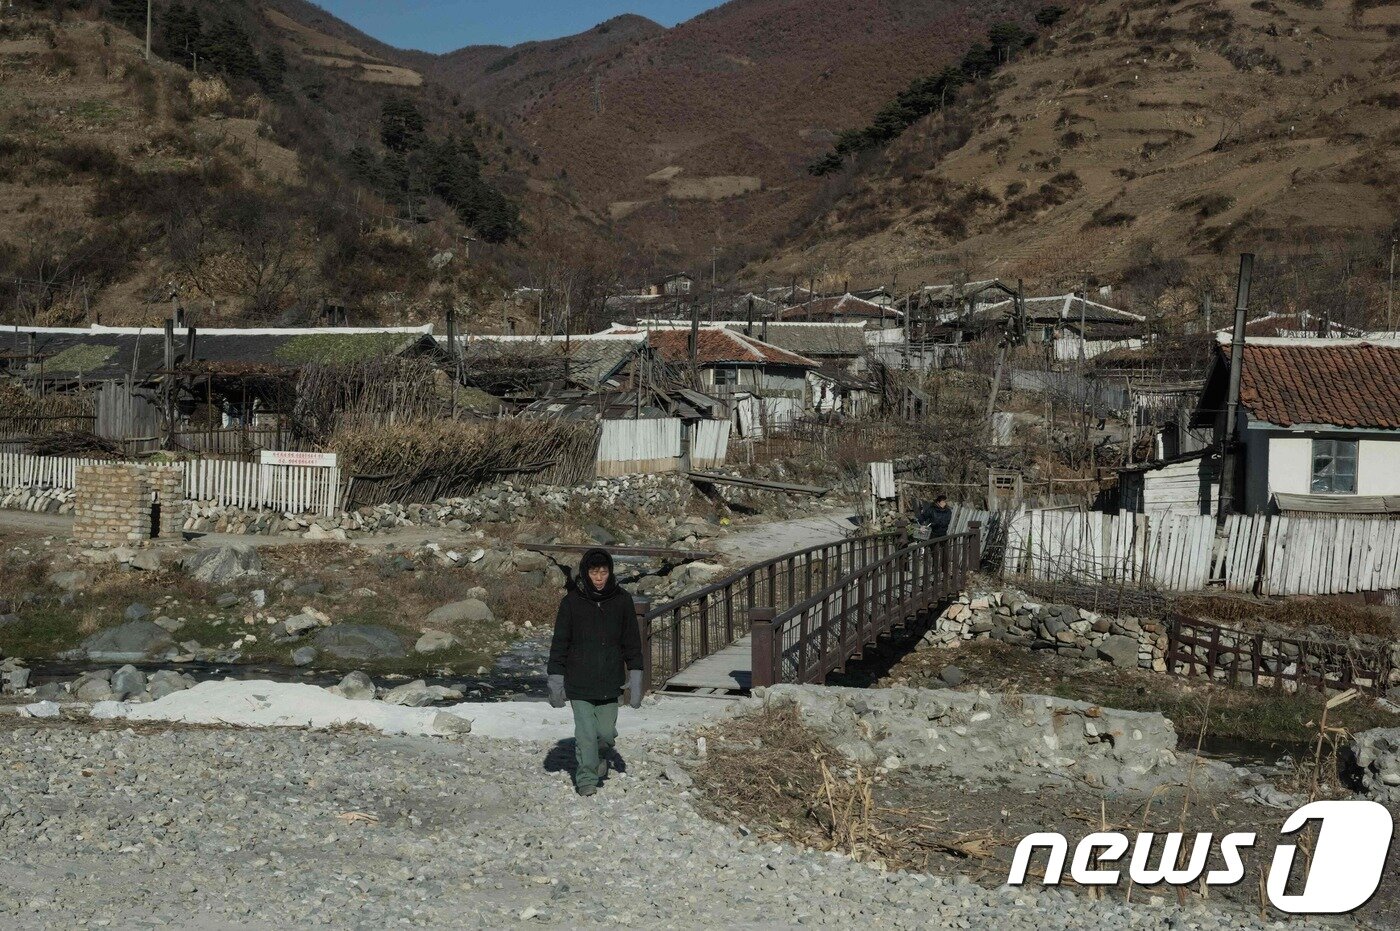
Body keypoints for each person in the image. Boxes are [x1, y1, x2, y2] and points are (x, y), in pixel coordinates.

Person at [547, 548, 644, 797]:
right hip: (579, 682)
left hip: (610, 682)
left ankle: (598, 757)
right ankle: (586, 778)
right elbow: (560, 643)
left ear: (610, 572)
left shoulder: (622, 600)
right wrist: (555, 678)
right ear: (585, 573)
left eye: (603, 572)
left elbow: (632, 642)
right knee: (586, 735)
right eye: (593, 572)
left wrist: (635, 676)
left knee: (605, 735)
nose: (599, 578)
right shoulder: (571, 602)